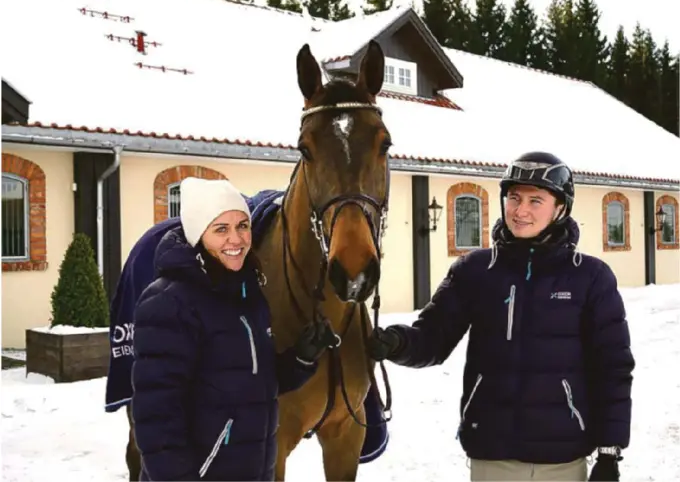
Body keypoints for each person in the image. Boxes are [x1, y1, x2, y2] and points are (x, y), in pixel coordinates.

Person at [368, 152, 635, 482]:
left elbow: (613, 368)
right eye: (514, 197)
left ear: (561, 208)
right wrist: (394, 342)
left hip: (563, 462)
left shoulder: (591, 277)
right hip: (493, 457)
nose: (521, 211)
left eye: (536, 200)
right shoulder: (476, 271)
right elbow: (431, 341)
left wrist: (610, 452)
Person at [131, 177, 335, 481]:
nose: (236, 239)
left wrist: (301, 357)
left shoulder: (247, 293)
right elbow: (157, 418)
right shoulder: (169, 302)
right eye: (221, 229)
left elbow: (252, 383)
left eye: (242, 225)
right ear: (198, 234)